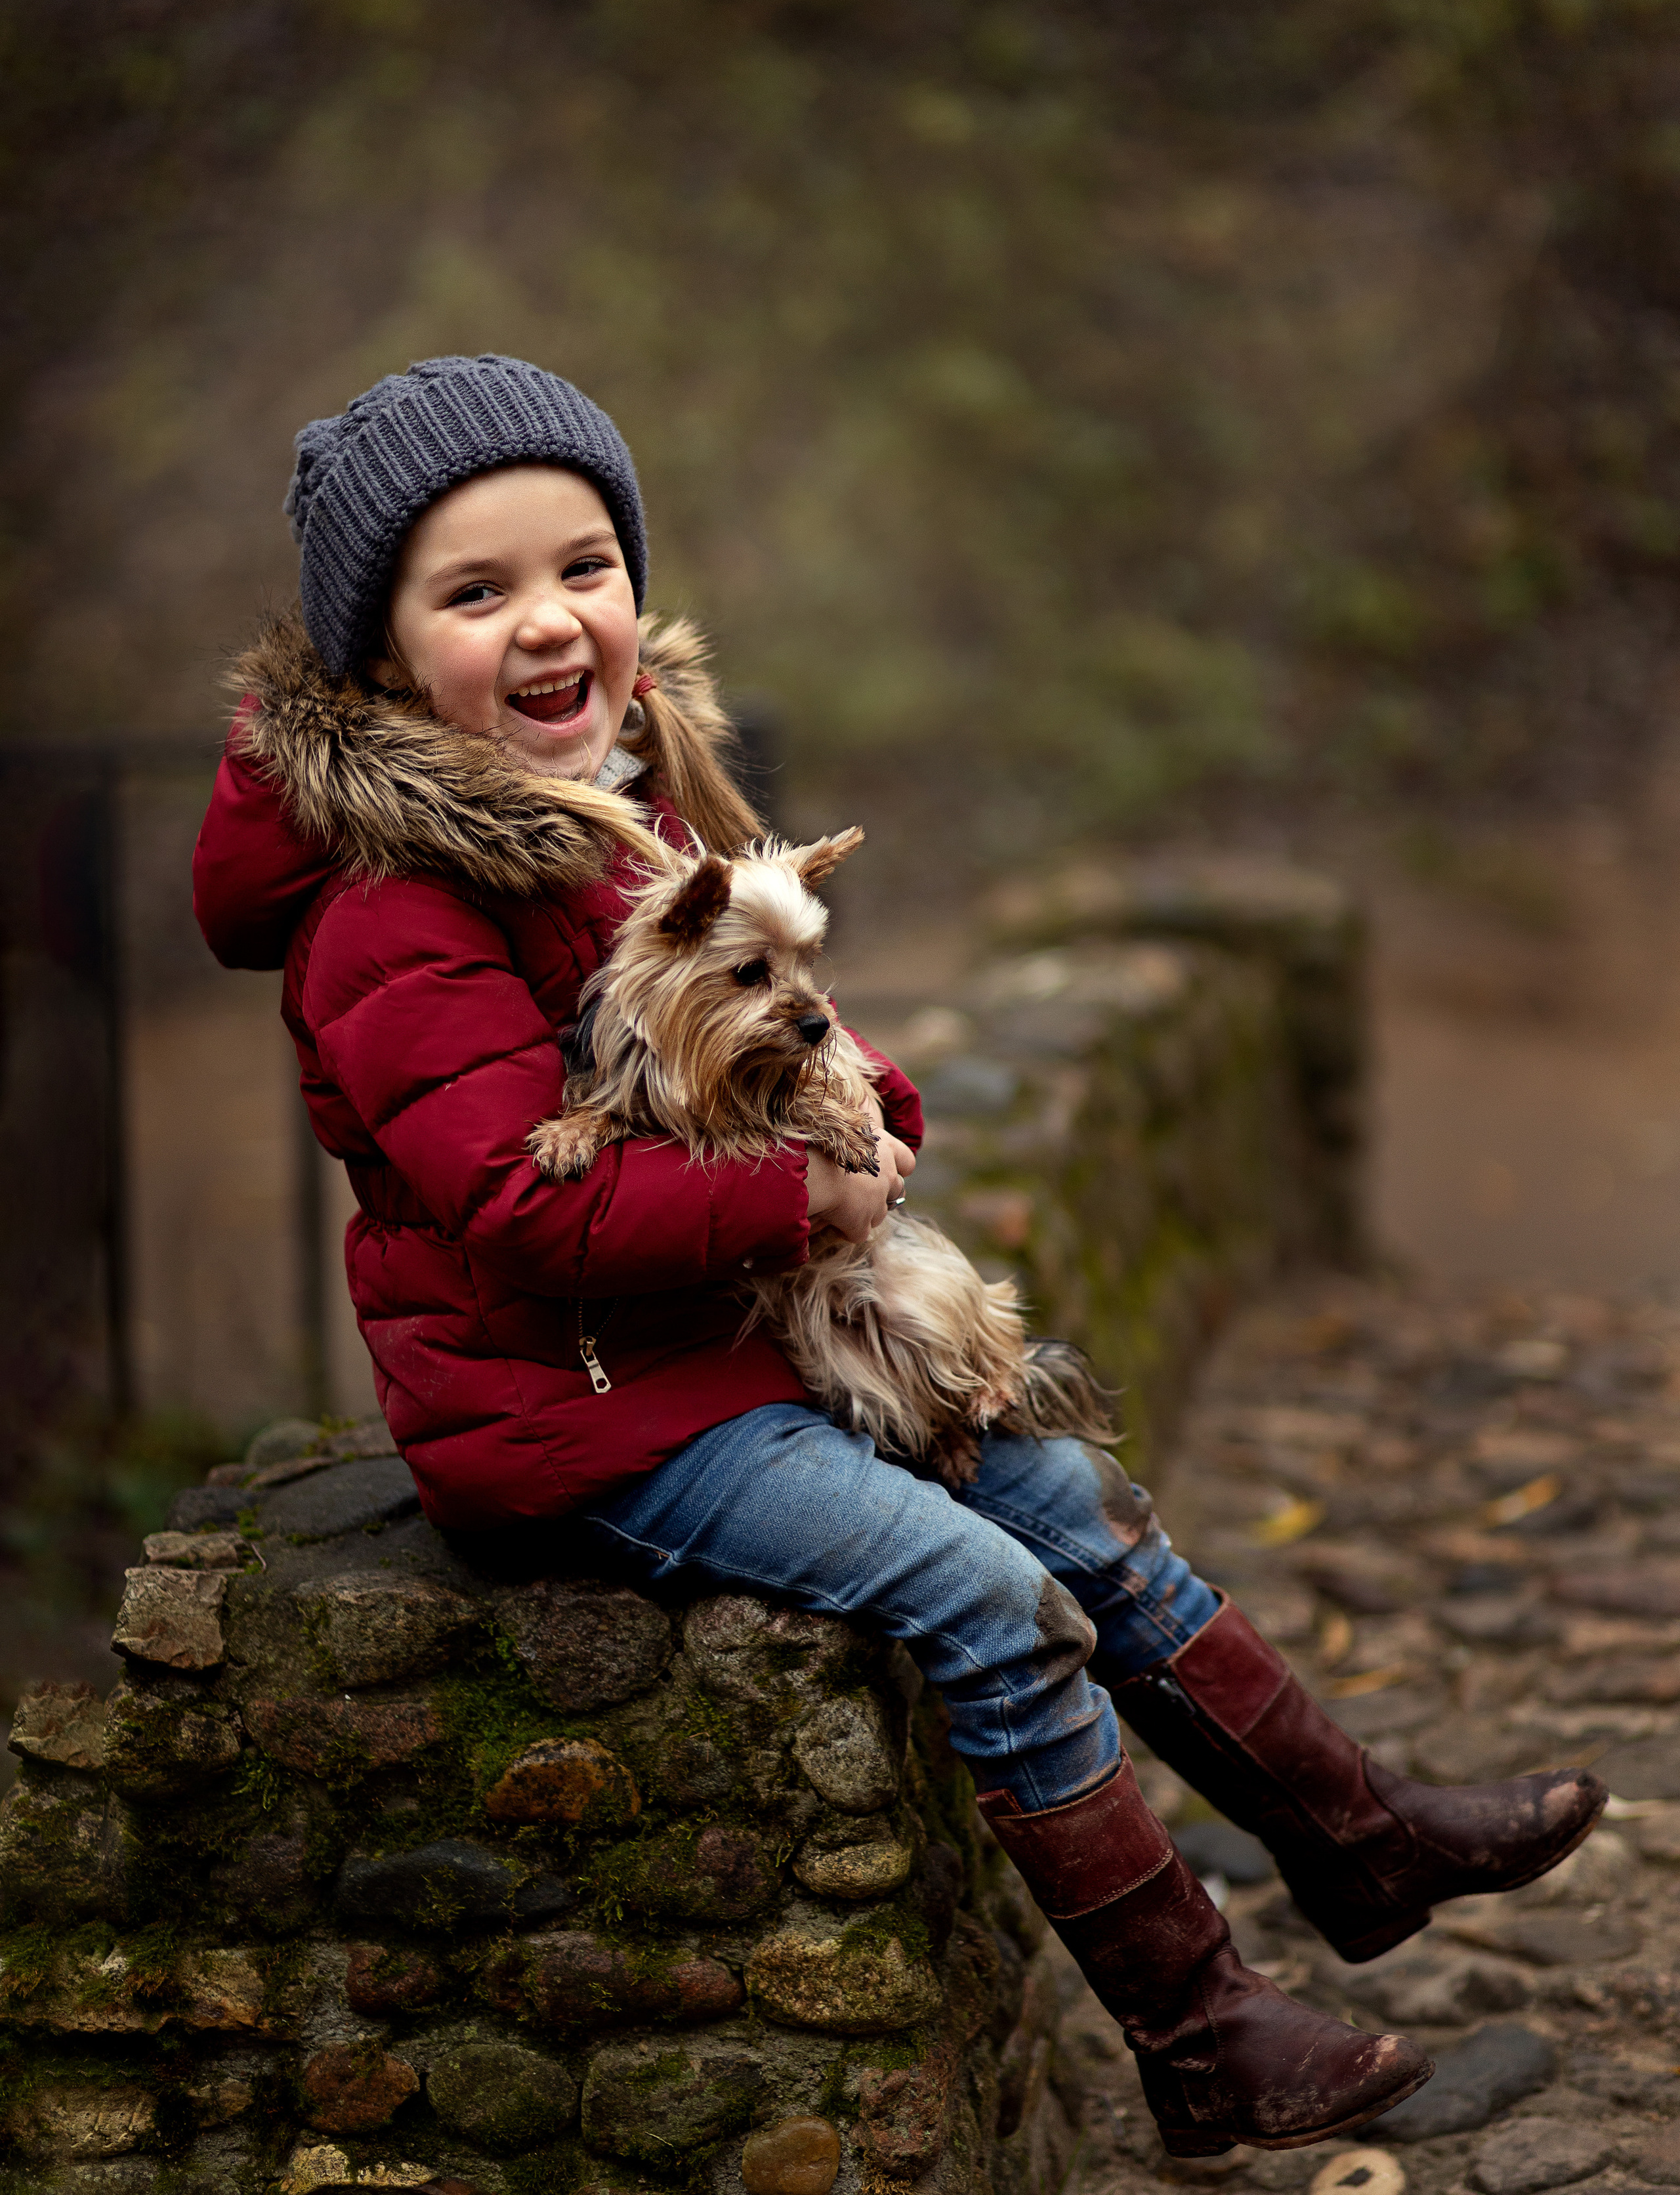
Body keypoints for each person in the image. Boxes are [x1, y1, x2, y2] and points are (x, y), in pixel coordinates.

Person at [193, 354, 1602, 2158]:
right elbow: (524, 1215)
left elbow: (802, 1038)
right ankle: (1202, 2033)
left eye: (582, 567)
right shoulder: (393, 912)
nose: (549, 624)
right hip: (583, 1413)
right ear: (384, 661)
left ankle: (1361, 1837)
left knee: (1076, 1505)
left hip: (734, 1336)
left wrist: (879, 1122)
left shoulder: (633, 815)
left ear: (633, 587)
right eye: (476, 593)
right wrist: (812, 1207)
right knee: (986, 1596)